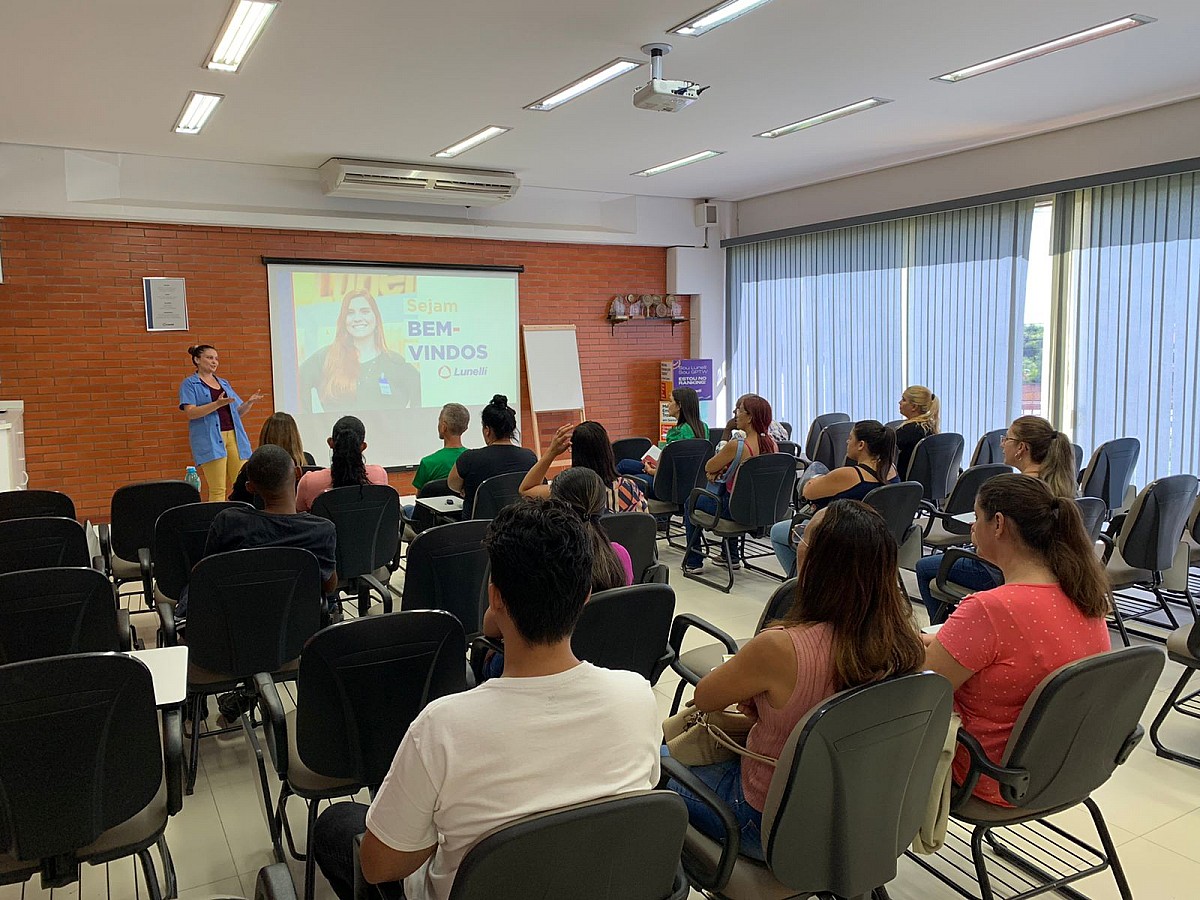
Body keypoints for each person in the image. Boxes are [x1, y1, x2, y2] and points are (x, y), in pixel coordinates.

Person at [311, 498, 661, 900]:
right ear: (585, 595)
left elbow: (378, 866)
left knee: (337, 824)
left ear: (495, 597)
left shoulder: (442, 727)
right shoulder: (637, 695)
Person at [666, 500, 925, 858]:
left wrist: (755, 692)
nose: (797, 542)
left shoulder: (781, 647)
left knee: (655, 762)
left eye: (803, 535)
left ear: (819, 561)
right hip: (858, 818)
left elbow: (707, 698)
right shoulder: (908, 643)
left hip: (766, 821)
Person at [922, 474, 1111, 806]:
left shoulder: (989, 609)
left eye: (976, 517)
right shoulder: (1086, 596)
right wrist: (933, 644)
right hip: (1064, 768)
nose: (971, 527)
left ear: (998, 524)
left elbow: (921, 690)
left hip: (988, 774)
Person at [178, 444, 338, 725]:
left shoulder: (228, 523)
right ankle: (250, 692)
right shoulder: (321, 530)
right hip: (288, 642)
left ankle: (207, 700)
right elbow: (329, 587)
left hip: (221, 645)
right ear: (298, 474)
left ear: (250, 487)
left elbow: (206, 578)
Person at [915, 415, 1079, 624]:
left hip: (1002, 570)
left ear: (1022, 448)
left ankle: (943, 629)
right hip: (1049, 570)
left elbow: (987, 545)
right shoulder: (1062, 485)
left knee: (924, 567)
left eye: (1007, 439)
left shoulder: (1013, 489)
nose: (1002, 444)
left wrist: (976, 530)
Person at [484, 469, 634, 677]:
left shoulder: (542, 559)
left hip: (536, 670)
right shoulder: (620, 555)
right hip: (599, 665)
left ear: (554, 504)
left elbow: (490, 629)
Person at [769, 420, 899, 575]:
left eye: (850, 438)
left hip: (843, 535)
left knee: (777, 532)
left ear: (861, 445)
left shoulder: (850, 474)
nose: (847, 441)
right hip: (878, 536)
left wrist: (815, 480)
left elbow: (807, 492)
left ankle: (806, 582)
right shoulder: (891, 470)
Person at [683, 394, 778, 573]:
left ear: (749, 417)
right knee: (731, 493)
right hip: (759, 509)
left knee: (692, 501)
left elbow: (709, 465)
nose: (735, 413)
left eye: (739, 410)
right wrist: (723, 469)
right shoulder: (772, 445)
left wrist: (726, 433)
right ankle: (731, 556)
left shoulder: (738, 445)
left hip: (732, 509)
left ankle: (693, 561)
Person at [298, 289, 421, 413]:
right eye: (350, 313)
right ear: (343, 319)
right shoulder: (326, 357)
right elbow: (297, 381)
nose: (357, 318)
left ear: (376, 317)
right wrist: (309, 423)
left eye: (365, 311)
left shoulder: (396, 363)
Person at [179, 344, 263, 502]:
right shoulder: (189, 384)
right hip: (210, 439)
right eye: (209, 358)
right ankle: (217, 523)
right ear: (197, 359)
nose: (214, 362)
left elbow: (237, 412)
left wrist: (249, 403)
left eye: (216, 359)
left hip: (234, 436)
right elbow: (190, 412)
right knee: (218, 488)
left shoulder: (223, 383)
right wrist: (216, 404)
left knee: (244, 484)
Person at [519, 421, 648, 513]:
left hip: (583, 551)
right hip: (623, 551)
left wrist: (551, 452)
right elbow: (644, 527)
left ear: (575, 453)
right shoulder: (629, 488)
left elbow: (526, 490)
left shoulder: (566, 491)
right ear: (608, 450)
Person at [447, 395, 537, 516]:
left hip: (477, 531)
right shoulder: (530, 458)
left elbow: (453, 485)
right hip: (519, 528)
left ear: (487, 430)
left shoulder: (469, 458)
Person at [616, 387, 709, 494]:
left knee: (629, 479)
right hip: (693, 483)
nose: (668, 405)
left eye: (670, 401)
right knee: (625, 464)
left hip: (669, 484)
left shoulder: (677, 433)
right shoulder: (703, 427)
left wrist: (650, 471)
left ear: (679, 406)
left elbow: (671, 471)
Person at [296, 416, 391, 513]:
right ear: (363, 446)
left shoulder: (309, 482)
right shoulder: (379, 475)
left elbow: (299, 517)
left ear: (330, 443)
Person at [230, 412, 315, 505]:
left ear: (265, 435)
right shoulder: (308, 461)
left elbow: (236, 503)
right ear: (295, 437)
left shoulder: (251, 467)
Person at [412, 403, 470, 491]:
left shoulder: (427, 463)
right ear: (465, 428)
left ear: (443, 427)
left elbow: (420, 498)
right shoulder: (473, 460)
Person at [894, 385, 940, 477]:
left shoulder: (908, 431)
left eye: (903, 400)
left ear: (914, 407)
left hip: (902, 483)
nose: (900, 402)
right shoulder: (930, 428)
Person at [718, 394, 789, 445]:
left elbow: (718, 462)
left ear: (750, 416)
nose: (734, 411)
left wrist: (727, 429)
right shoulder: (780, 429)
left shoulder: (740, 438)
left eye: (739, 409)